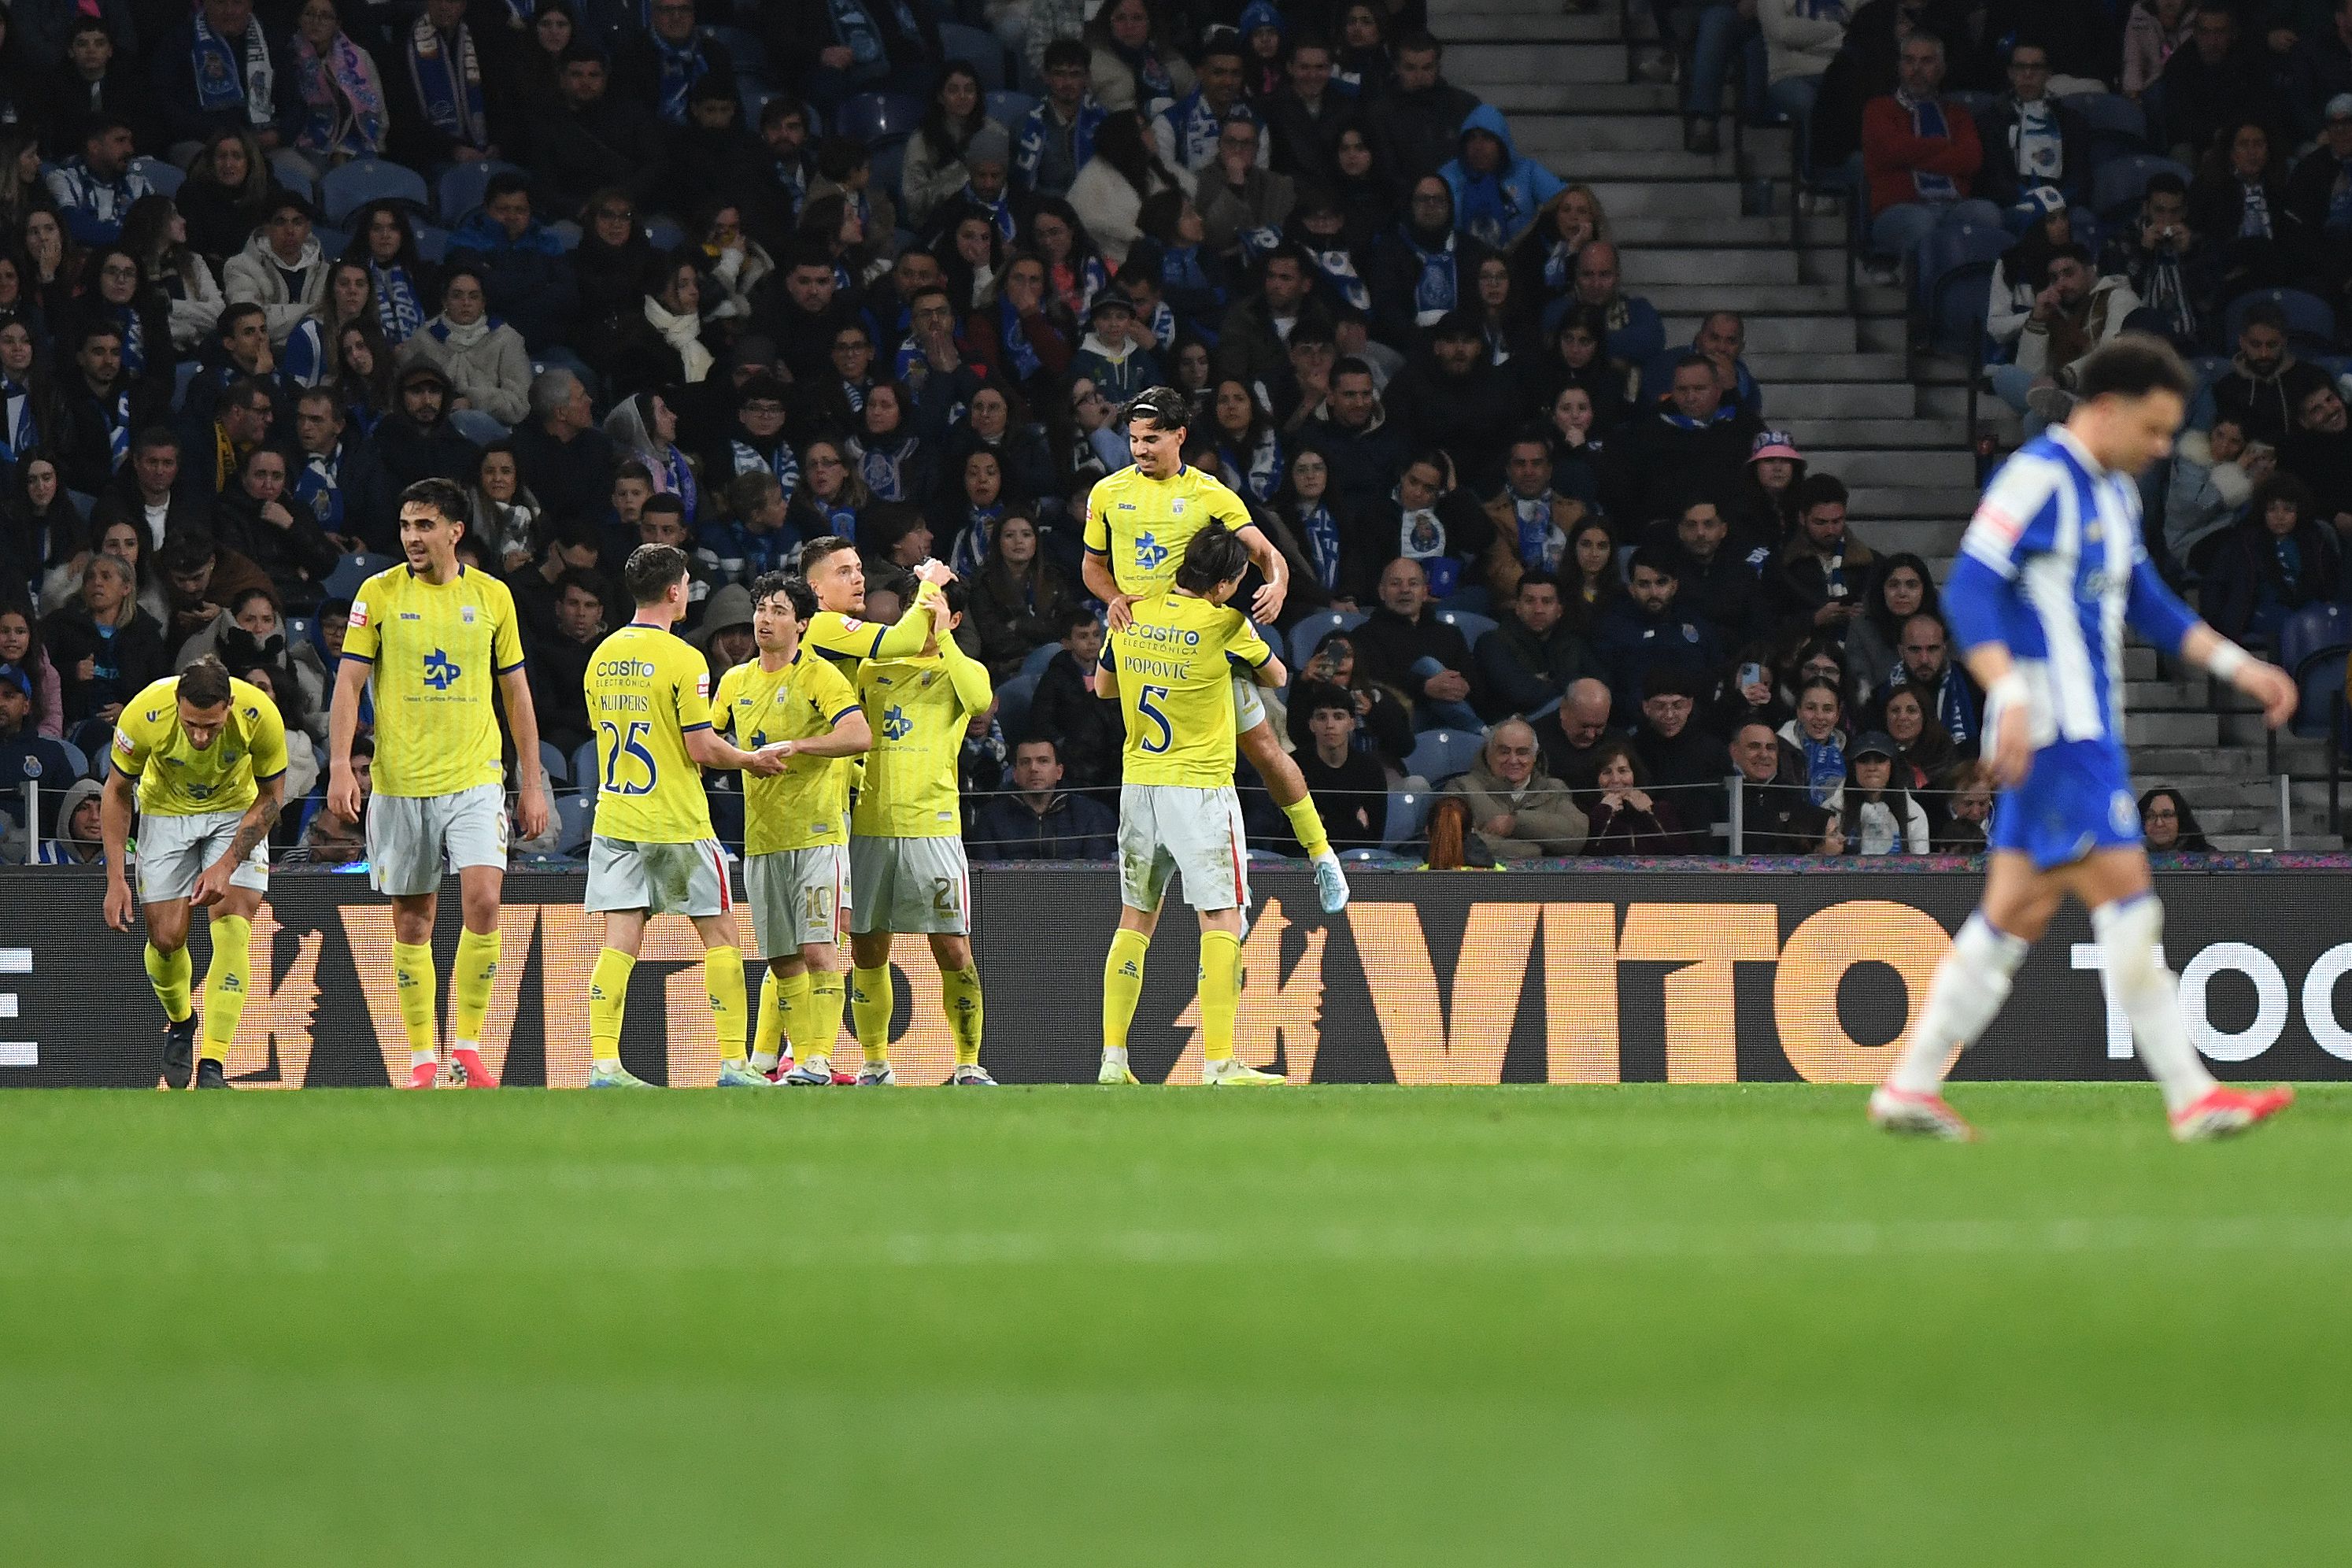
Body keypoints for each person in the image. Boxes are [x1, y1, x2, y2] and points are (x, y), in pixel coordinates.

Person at [1869, 336, 2298, 1142]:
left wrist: (2244, 669)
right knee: (2128, 901)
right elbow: (1968, 589)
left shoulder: (2116, 496)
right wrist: (2009, 692)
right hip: (2059, 734)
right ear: (2108, 409)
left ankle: (1910, 1084)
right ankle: (2193, 1095)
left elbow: (2152, 604)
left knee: (2015, 914)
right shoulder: (2038, 477)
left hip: (2084, 731)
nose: (2164, 447)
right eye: (2156, 428)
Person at [1084, 386, 1349, 912]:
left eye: (1152, 439)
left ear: (1180, 436)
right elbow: (1092, 566)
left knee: (1265, 752)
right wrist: (1114, 597)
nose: (1140, 449)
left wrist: (1276, 584)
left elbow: (1266, 553)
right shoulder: (1107, 494)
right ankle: (1216, 898)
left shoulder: (1211, 495)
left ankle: (1322, 857)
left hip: (1205, 646)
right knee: (1137, 750)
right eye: (1134, 438)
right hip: (1143, 646)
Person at [327, 478, 551, 1091]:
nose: (411, 538)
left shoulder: (493, 597)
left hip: (475, 776)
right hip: (400, 783)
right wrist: (342, 765)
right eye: (404, 526)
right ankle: (423, 1057)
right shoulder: (376, 594)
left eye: (424, 526)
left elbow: (517, 694)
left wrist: (532, 783)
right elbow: (348, 684)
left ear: (455, 531)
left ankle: (470, 1045)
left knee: (483, 899)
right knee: (413, 922)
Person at [577, 542, 784, 1089]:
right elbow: (701, 748)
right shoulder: (684, 659)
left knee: (619, 942)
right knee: (720, 936)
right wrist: (749, 759)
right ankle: (734, 1064)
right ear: (675, 591)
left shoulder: (601, 655)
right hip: (674, 821)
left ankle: (603, 1065)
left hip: (616, 818)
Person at [1095, 520, 1287, 1087]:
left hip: (1139, 785)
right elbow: (1276, 676)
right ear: (1225, 584)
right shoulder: (1226, 624)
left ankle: (1113, 1059)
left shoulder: (1129, 612)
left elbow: (1103, 688)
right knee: (1221, 917)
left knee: (1136, 917)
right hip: (1199, 789)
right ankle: (1220, 1062)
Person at [710, 571, 872, 1082]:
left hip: (817, 835)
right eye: (762, 607)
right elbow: (708, 745)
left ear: (802, 624)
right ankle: (802, 1061)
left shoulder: (819, 676)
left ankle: (818, 1057)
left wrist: (801, 746)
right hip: (762, 839)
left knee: (819, 950)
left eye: (780, 610)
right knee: (782, 960)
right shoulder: (735, 681)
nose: (765, 618)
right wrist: (741, 758)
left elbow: (858, 734)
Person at [98, 656, 287, 1089]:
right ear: (177, 703)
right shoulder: (144, 714)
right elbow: (116, 792)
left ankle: (214, 1063)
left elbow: (273, 796)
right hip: (166, 812)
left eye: (212, 727)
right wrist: (115, 878)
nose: (201, 737)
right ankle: (181, 1020)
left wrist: (227, 864)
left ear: (230, 706)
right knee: (166, 939)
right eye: (191, 725)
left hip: (235, 811)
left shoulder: (260, 716)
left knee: (234, 926)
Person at [841, 573, 997, 1087]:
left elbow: (978, 703)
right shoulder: (872, 668)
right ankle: (875, 1064)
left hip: (934, 827)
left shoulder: (963, 670)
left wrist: (943, 634)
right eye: (917, 605)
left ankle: (969, 1064)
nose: (924, 614)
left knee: (952, 947)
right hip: (871, 826)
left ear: (954, 617)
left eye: (935, 607)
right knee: (868, 945)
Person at [1861, 34, 2003, 279]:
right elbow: (1891, 150)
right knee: (1924, 223)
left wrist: (1913, 152)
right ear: (1899, 67)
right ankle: (1921, 306)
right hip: (1898, 210)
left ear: (1941, 69)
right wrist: (1942, 146)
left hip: (1953, 205)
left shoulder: (1958, 114)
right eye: (1909, 61)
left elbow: (1970, 159)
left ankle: (1974, 298)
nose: (1916, 69)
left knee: (1987, 213)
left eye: (1926, 61)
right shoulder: (1878, 109)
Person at [1442, 718, 1588, 858]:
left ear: (1535, 756)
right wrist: (1531, 850)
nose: (1513, 760)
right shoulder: (1461, 788)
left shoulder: (1555, 789)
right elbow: (1454, 838)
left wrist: (1516, 823)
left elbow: (1576, 836)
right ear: (1488, 753)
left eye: (1522, 752)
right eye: (1504, 752)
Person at [970, 734, 1118, 859]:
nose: (1034, 768)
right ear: (1015, 774)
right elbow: (986, 877)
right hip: (1012, 892)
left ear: (1059, 772)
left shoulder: (1089, 813)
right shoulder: (992, 816)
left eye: (1043, 761)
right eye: (1025, 762)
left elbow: (1098, 875)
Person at [1476, 570, 1592, 720]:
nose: (1538, 610)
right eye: (1530, 601)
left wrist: (1549, 680)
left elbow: (1600, 684)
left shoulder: (1573, 643)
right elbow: (1522, 695)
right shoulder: (1492, 642)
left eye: (1547, 601)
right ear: (1517, 607)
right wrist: (1570, 684)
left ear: (1559, 610)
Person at [1288, 681, 1389, 850]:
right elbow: (1292, 837)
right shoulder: (1294, 767)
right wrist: (1354, 824)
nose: (1330, 725)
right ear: (1311, 724)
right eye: (1321, 717)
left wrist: (1323, 821)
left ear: (1352, 723)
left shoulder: (1370, 770)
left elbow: (1373, 839)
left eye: (1338, 716)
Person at [1582, 738, 1692, 852]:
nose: (1615, 780)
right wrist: (1603, 812)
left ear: (1635, 774)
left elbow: (1681, 852)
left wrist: (1651, 814)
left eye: (1623, 771)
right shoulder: (1587, 813)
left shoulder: (1662, 809)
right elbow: (1589, 854)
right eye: (1607, 772)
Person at [1839, 730, 1929, 852]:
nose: (1872, 768)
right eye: (1864, 760)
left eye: (1880, 760)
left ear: (1892, 766)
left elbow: (1921, 865)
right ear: (1853, 767)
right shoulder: (1833, 809)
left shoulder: (1914, 813)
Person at [2139, 785, 2213, 851]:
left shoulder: (2207, 858)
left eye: (2167, 815)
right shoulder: (2131, 857)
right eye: (2151, 816)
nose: (2159, 823)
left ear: (2181, 820)